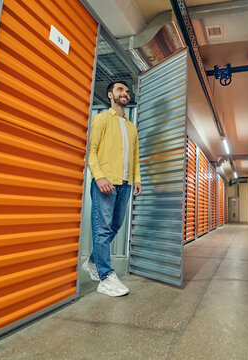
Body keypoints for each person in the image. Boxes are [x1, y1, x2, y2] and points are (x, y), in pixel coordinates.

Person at [83, 80, 142, 297]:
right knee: (102, 228)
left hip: (125, 184)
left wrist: (137, 179)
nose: (125, 93)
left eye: (126, 91)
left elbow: (135, 157)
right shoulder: (100, 120)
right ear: (110, 95)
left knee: (115, 225)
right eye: (120, 90)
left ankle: (92, 261)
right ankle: (106, 277)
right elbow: (92, 151)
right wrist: (99, 177)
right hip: (105, 183)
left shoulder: (131, 127)